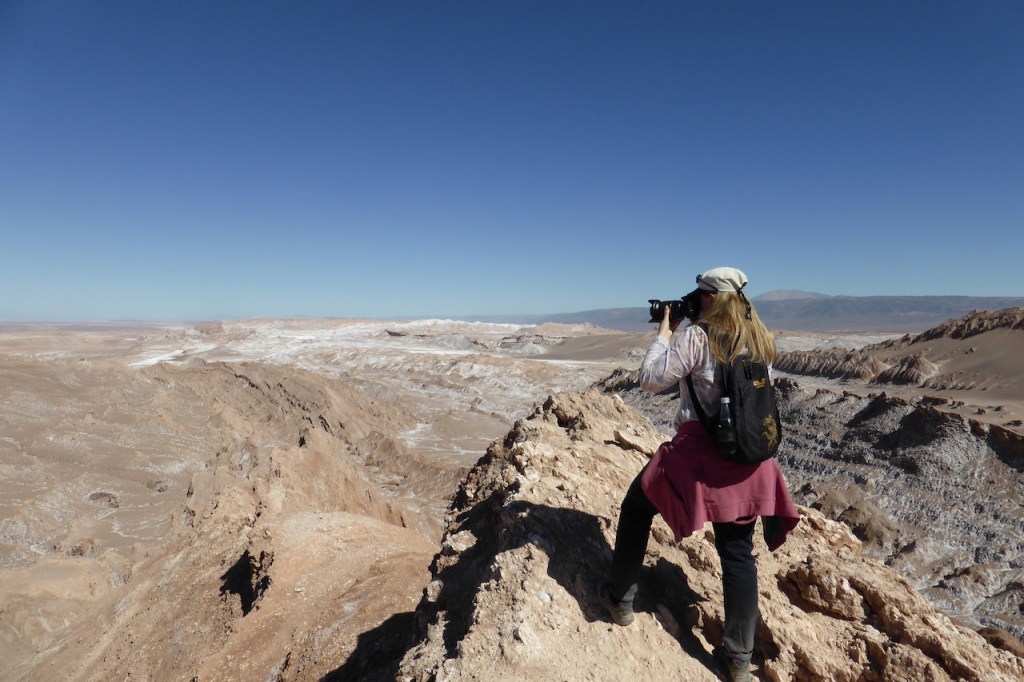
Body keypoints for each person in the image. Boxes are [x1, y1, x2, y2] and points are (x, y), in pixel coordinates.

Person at [598, 266, 800, 682]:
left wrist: (665, 333)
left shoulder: (698, 337)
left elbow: (650, 380)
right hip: (748, 459)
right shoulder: (759, 337)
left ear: (711, 298)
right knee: (738, 553)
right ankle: (738, 660)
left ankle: (620, 600)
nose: (697, 299)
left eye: (701, 294)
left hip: (700, 454)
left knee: (636, 506)